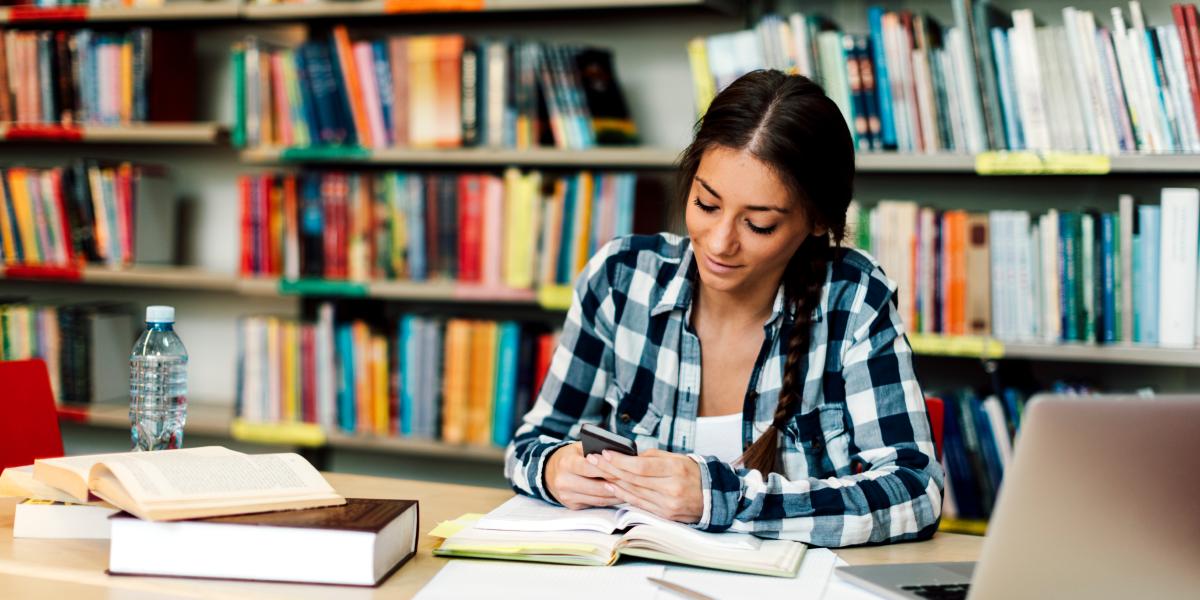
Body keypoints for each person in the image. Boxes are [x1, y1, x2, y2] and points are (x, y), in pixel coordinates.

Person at [504, 70, 943, 547]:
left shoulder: (854, 300)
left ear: (817, 221)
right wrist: (554, 469)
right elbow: (530, 444)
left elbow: (915, 491)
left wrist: (721, 500)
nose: (718, 243)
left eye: (758, 225)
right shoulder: (620, 279)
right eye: (706, 204)